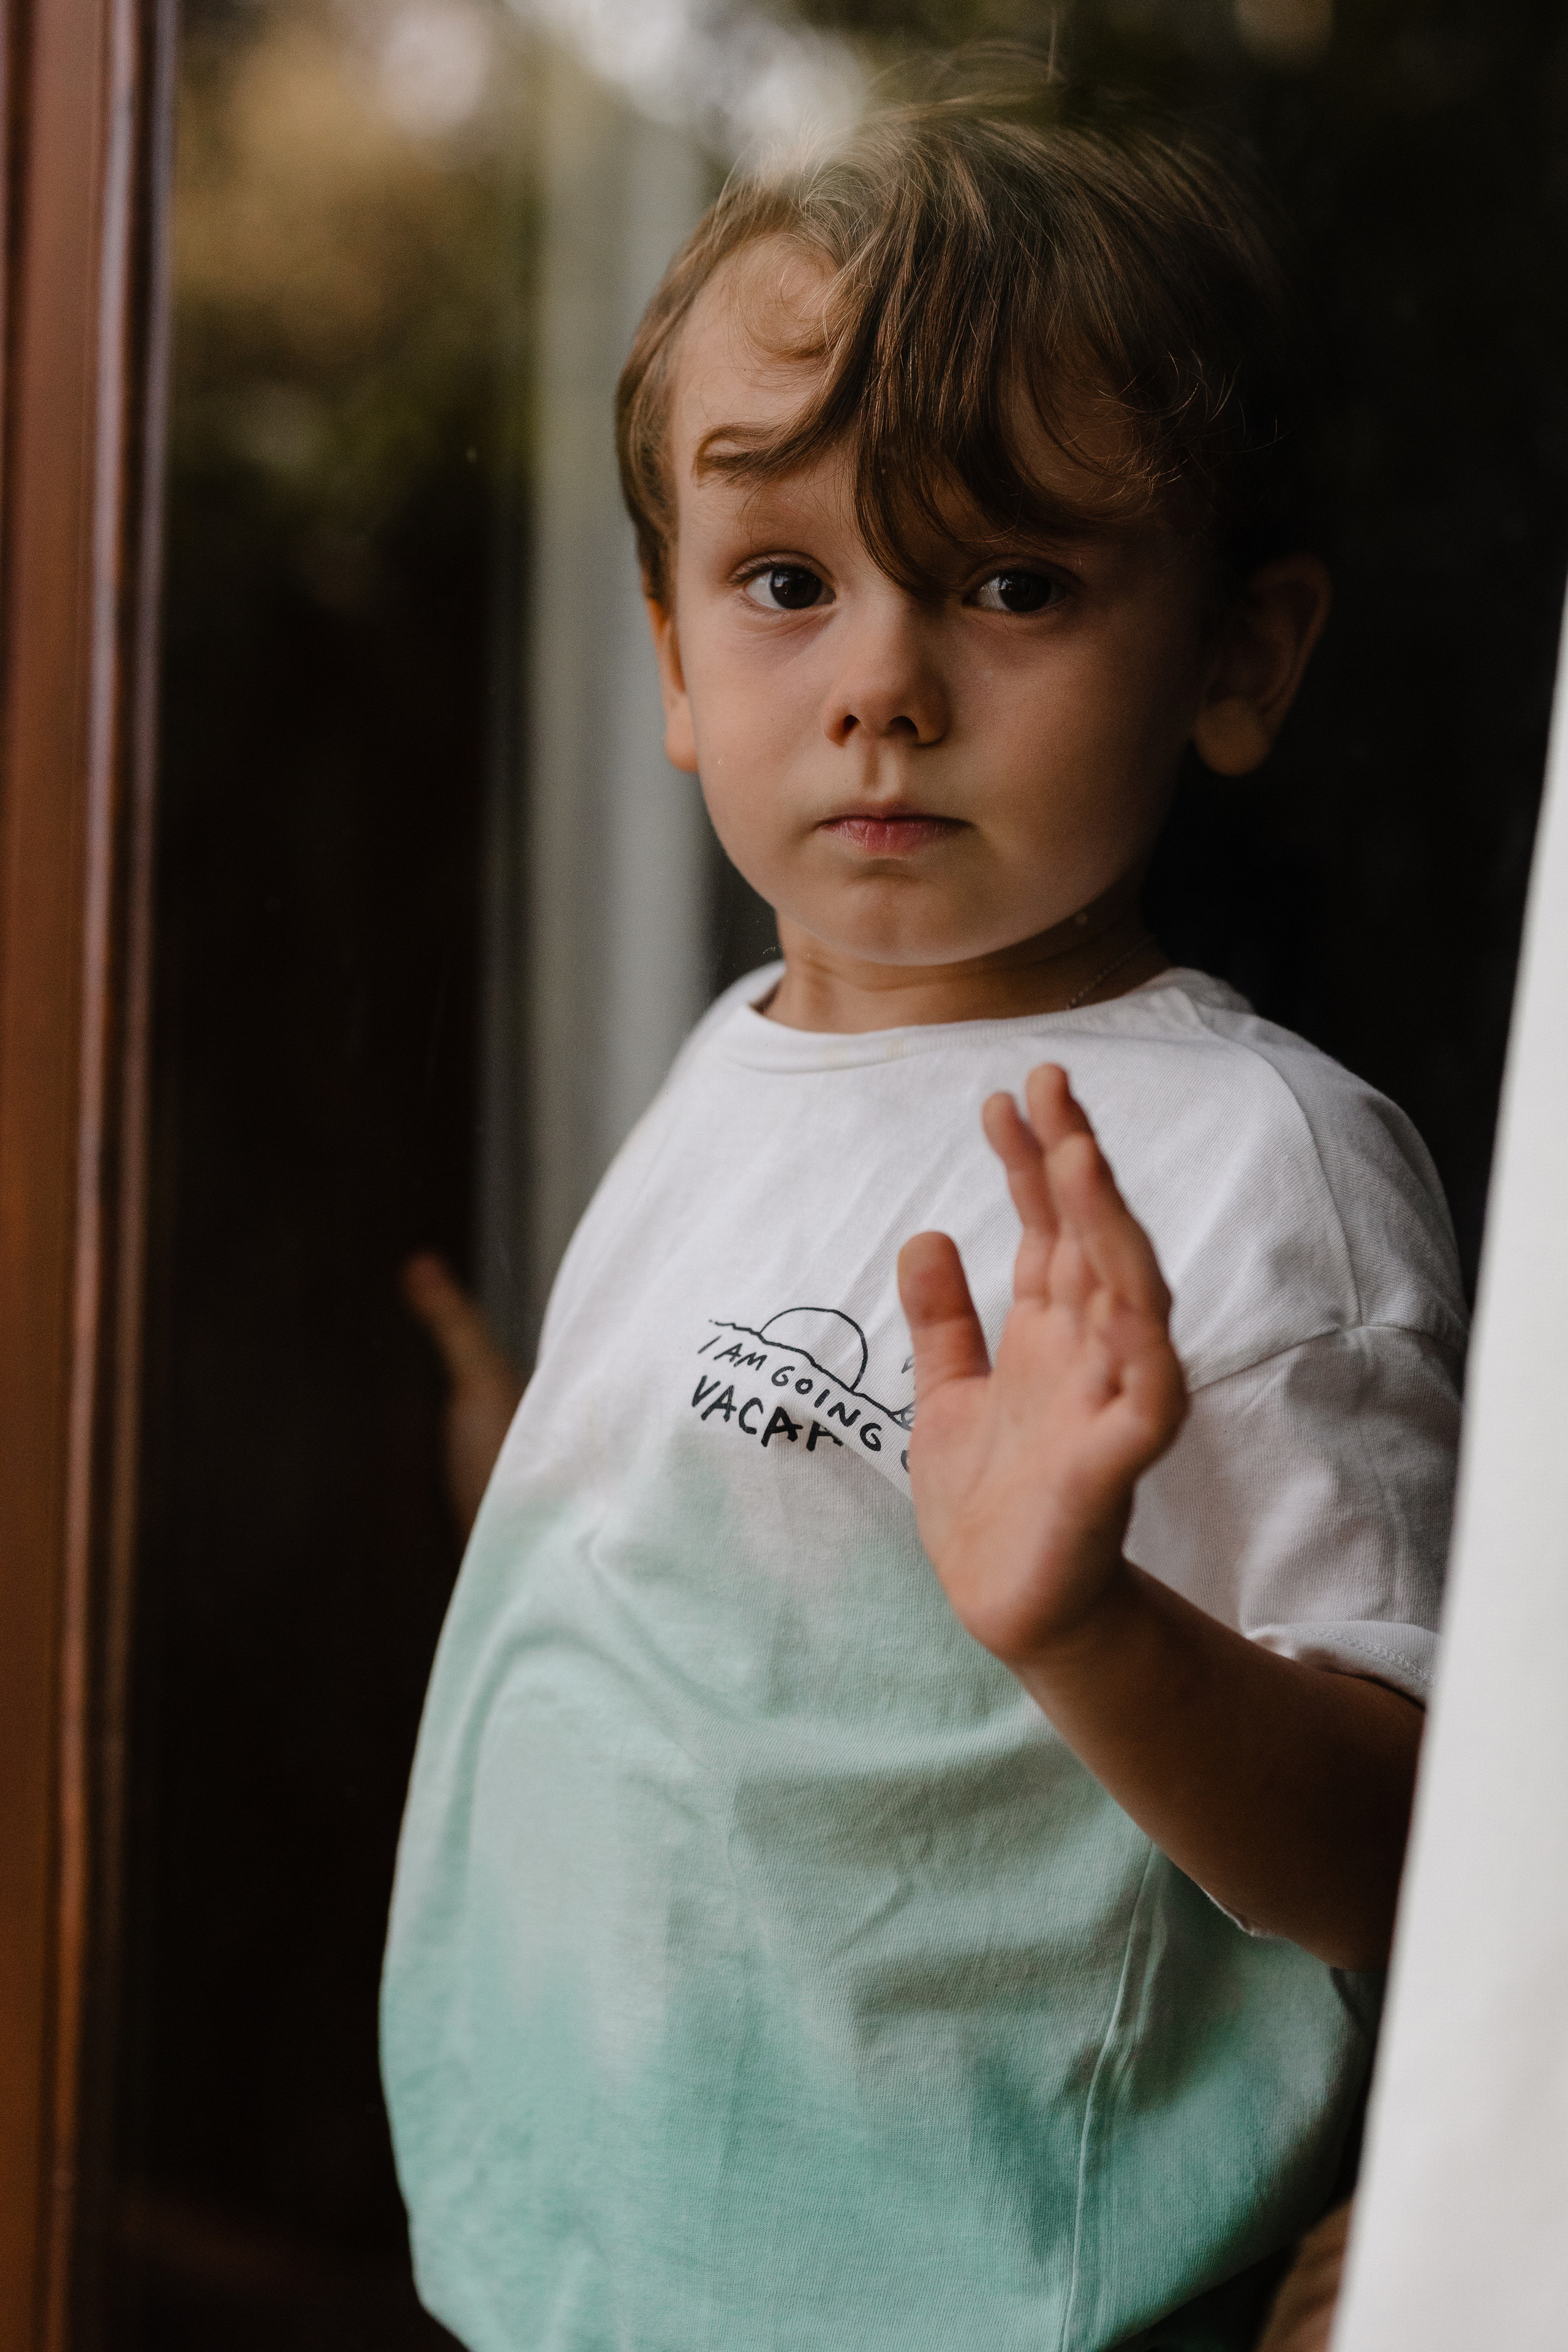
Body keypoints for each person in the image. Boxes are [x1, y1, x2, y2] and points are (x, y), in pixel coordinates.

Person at [383, 64, 1464, 2351]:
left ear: (1243, 660)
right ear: (676, 661)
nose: (880, 681)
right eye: (787, 580)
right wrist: (551, 1478)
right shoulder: (741, 1052)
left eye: (1013, 580)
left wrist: (1084, 1622)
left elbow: (1409, 1862)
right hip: (577, 2268)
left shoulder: (1248, 1167)